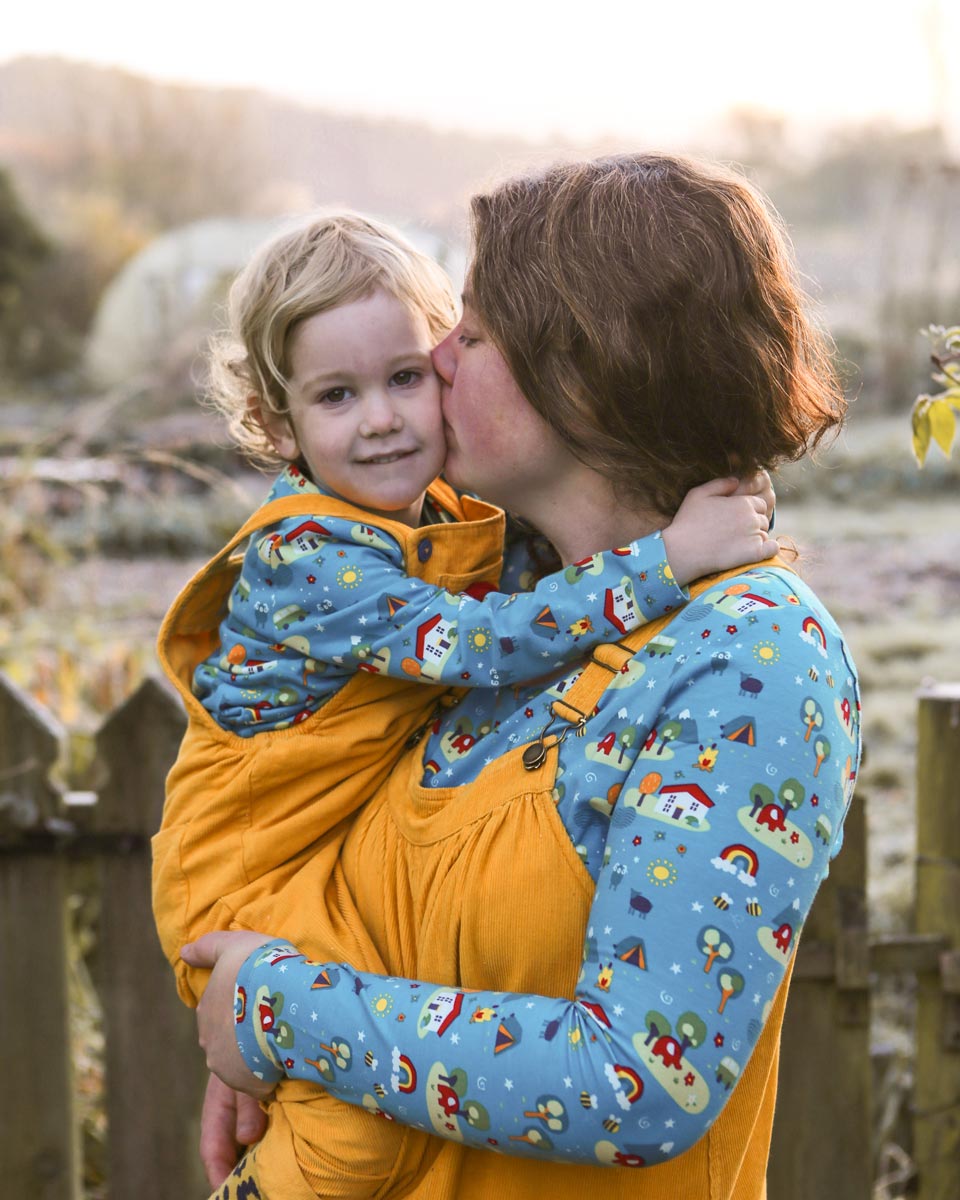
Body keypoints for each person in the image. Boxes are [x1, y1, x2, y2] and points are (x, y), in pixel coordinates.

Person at [181, 152, 860, 1200]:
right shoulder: (490, 599)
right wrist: (271, 1039)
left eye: (475, 331)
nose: (437, 358)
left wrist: (282, 1012)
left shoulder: (745, 660)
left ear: (585, 375)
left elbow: (638, 1081)